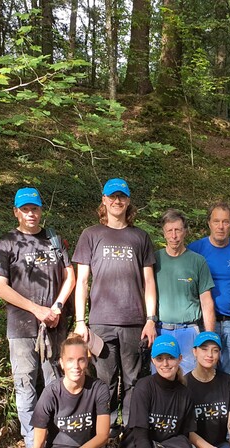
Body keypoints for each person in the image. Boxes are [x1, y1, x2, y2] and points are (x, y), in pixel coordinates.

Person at [0, 188, 76, 448]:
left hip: (55, 327)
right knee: (25, 386)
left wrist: (58, 306)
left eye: (35, 208)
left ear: (41, 210)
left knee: (56, 385)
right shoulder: (7, 243)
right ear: (16, 211)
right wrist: (36, 309)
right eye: (25, 209)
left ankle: (58, 440)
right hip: (21, 328)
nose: (31, 213)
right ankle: (33, 445)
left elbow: (70, 276)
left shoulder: (53, 239)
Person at [72, 178, 157, 433]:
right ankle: (104, 432)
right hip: (101, 322)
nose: (117, 201)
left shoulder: (140, 237)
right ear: (104, 200)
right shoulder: (91, 235)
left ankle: (131, 433)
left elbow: (149, 281)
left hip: (134, 321)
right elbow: (82, 280)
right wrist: (79, 321)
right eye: (112, 196)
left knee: (133, 380)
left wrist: (151, 318)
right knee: (104, 380)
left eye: (122, 197)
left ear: (128, 201)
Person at [189, 203, 230, 378]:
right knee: (204, 370)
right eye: (216, 221)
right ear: (209, 223)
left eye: (225, 222)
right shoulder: (196, 250)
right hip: (203, 322)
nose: (220, 226)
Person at [155, 209, 215, 373]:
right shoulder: (155, 260)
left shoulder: (197, 261)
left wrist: (209, 337)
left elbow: (206, 301)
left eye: (178, 230)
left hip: (189, 332)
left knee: (191, 382)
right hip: (161, 331)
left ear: (185, 232)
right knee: (162, 383)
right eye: (170, 230)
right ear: (164, 233)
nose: (174, 235)